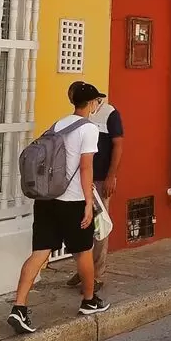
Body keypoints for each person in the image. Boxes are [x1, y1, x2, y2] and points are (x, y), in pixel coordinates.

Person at [7, 82, 110, 335]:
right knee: (83, 251)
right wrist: (89, 204)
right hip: (72, 200)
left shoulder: (58, 124)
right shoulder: (89, 129)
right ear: (93, 103)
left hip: (46, 199)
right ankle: (89, 300)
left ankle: (19, 306)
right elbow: (86, 168)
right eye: (97, 101)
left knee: (40, 252)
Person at [67, 91, 124, 292]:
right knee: (81, 225)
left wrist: (111, 176)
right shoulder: (78, 117)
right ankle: (84, 270)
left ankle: (97, 274)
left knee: (99, 227)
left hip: (100, 179)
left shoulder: (110, 114)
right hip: (81, 182)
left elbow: (118, 145)